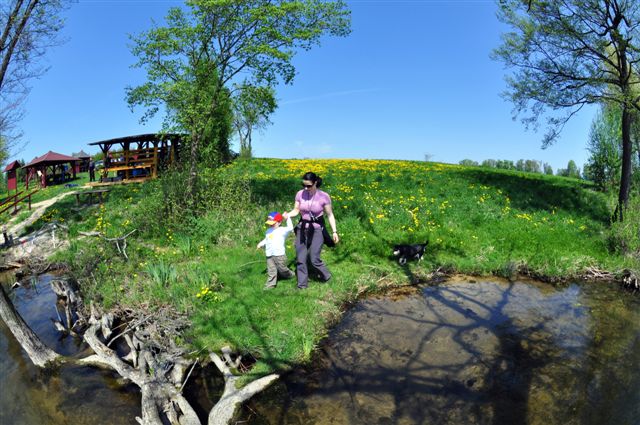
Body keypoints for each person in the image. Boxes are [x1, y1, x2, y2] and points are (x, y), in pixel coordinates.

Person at [284, 172, 339, 289]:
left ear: (315, 183)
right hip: (302, 228)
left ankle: (327, 276)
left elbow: (330, 215)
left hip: (317, 229)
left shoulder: (324, 196)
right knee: (300, 258)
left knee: (314, 259)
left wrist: (334, 231)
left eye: (308, 186)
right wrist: (287, 215)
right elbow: (296, 210)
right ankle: (302, 285)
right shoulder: (300, 194)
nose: (305, 188)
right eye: (303, 185)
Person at [256, 211, 295, 289]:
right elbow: (266, 239)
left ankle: (290, 275)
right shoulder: (268, 231)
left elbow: (290, 228)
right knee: (271, 270)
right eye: (269, 223)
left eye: (273, 222)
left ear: (279, 222)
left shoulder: (282, 230)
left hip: (279, 255)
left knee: (282, 269)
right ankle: (270, 285)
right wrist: (261, 244)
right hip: (269, 255)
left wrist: (288, 218)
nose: (271, 224)